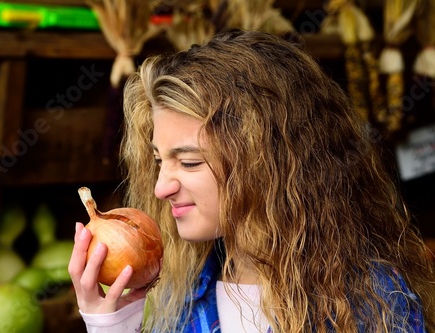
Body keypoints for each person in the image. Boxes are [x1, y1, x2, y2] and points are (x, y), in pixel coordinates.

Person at [68, 29, 435, 333]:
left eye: (190, 162)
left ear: (265, 164)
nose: (161, 187)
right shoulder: (177, 301)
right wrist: (110, 326)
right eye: (158, 161)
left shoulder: (372, 302)